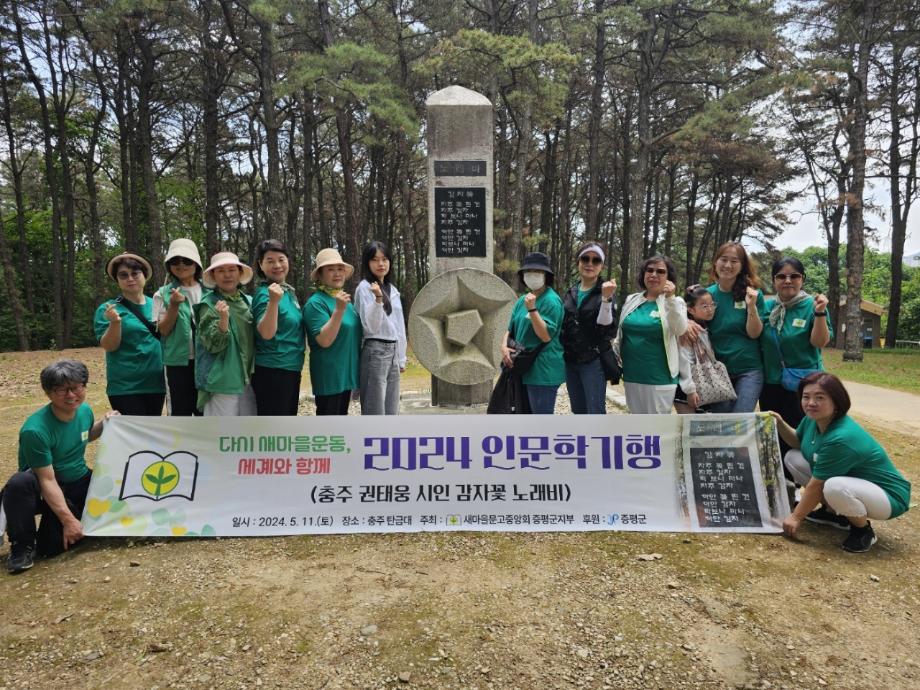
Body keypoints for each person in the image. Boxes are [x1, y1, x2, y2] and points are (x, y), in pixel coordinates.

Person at [770, 373, 911, 553]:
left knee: (834, 487)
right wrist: (779, 422)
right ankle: (834, 514)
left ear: (837, 401)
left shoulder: (841, 437)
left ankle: (863, 531)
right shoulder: (813, 420)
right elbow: (798, 442)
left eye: (820, 397)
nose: (811, 403)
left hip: (889, 496)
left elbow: (817, 484)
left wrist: (796, 517)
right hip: (857, 483)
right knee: (793, 457)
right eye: (806, 397)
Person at [1, 360, 118, 574]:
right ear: (48, 393)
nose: (71, 395)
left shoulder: (84, 411)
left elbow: (85, 435)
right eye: (61, 390)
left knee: (114, 501)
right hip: (46, 487)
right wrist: (68, 520)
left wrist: (105, 423)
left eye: (76, 387)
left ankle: (65, 522)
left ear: (84, 386)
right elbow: (47, 479)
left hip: (78, 480)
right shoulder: (35, 431)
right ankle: (21, 546)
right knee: (19, 483)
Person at [758, 257, 831, 445]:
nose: (788, 281)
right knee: (773, 436)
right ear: (774, 280)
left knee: (801, 435)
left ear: (802, 279)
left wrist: (820, 313)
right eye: (781, 276)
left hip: (804, 385)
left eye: (794, 276)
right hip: (771, 383)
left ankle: (800, 464)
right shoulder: (766, 307)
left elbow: (819, 342)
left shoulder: (813, 305)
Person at [687, 242, 765, 412]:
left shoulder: (752, 295)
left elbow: (754, 334)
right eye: (724, 259)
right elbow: (690, 316)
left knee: (740, 419)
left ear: (742, 266)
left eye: (734, 261)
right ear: (715, 262)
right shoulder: (707, 295)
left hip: (749, 370)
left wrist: (751, 307)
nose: (728, 265)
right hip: (715, 371)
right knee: (720, 422)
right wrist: (687, 322)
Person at [613, 255, 688, 414]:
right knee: (637, 424)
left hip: (660, 379)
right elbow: (621, 334)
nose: (654, 275)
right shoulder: (632, 300)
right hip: (632, 375)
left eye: (660, 271)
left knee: (656, 426)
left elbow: (680, 329)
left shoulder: (676, 302)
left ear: (669, 277)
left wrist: (670, 299)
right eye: (650, 270)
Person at [94, 252, 166, 415]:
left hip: (156, 384)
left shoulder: (158, 304)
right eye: (123, 275)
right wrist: (115, 323)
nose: (130, 279)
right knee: (134, 432)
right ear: (117, 280)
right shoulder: (108, 309)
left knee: (150, 430)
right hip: (125, 388)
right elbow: (109, 346)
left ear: (145, 276)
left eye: (135, 273)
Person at [500, 251, 565, 414]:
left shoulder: (551, 301)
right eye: (528, 272)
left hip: (542, 371)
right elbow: (510, 328)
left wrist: (533, 310)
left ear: (546, 276)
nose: (532, 275)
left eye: (537, 272)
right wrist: (504, 346)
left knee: (540, 420)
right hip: (522, 367)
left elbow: (545, 335)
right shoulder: (522, 299)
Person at [195, 252, 256, 416]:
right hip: (222, 380)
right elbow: (212, 344)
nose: (227, 275)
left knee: (248, 427)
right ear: (213, 276)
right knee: (222, 429)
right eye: (221, 271)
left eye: (231, 270)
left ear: (240, 273)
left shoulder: (248, 301)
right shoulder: (208, 304)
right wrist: (223, 320)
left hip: (249, 377)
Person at [303, 248, 362, 415]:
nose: (337, 273)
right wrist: (339, 310)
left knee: (341, 422)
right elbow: (324, 340)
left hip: (346, 375)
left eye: (340, 269)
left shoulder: (344, 301)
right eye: (330, 269)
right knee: (329, 424)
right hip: (329, 377)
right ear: (320, 275)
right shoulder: (316, 303)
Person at [560, 241, 617, 414]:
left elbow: (606, 328)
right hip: (571, 360)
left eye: (596, 260)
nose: (589, 264)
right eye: (585, 258)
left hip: (593, 361)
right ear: (578, 262)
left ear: (602, 266)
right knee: (578, 410)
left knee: (595, 411)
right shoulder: (571, 291)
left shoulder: (606, 291)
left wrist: (606, 300)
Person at [251, 239, 305, 416]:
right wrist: (273, 302)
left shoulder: (288, 292)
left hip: (290, 368)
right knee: (274, 428)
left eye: (281, 259)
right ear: (261, 265)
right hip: (272, 371)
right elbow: (266, 333)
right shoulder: (265, 293)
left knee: (286, 426)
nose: (277, 265)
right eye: (270, 261)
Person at [154, 239, 207, 416]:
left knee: (205, 411)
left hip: (207, 360)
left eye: (187, 260)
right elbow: (163, 330)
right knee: (179, 413)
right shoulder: (162, 293)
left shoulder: (211, 291)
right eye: (175, 261)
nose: (181, 265)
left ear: (196, 263)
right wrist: (174, 306)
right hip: (177, 363)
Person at [354, 241, 407, 415]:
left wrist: (401, 357)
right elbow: (371, 326)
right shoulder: (364, 288)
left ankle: (389, 435)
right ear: (367, 263)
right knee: (374, 410)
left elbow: (399, 326)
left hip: (393, 351)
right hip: (375, 350)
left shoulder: (393, 289)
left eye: (384, 259)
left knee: (392, 409)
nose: (381, 264)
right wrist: (378, 299)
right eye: (375, 260)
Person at [675, 285, 720, 414]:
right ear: (691, 309)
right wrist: (690, 390)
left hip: (703, 385)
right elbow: (685, 360)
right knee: (688, 423)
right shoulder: (688, 331)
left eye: (712, 304)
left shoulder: (705, 326)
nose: (710, 309)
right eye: (704, 306)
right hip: (687, 388)